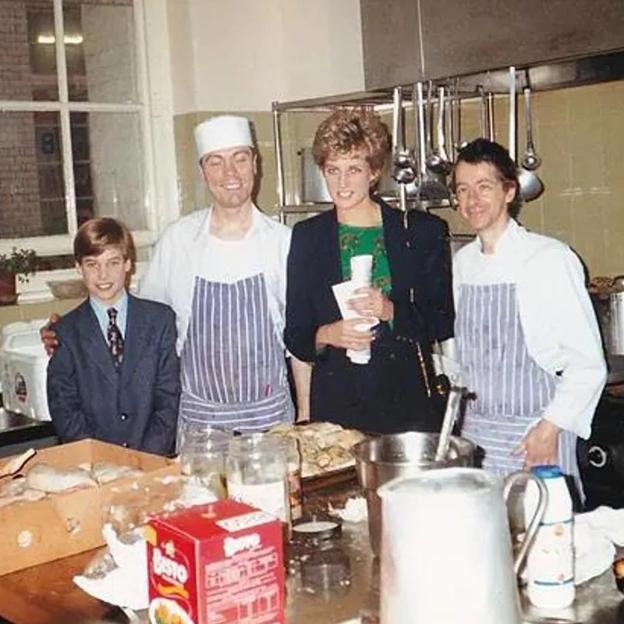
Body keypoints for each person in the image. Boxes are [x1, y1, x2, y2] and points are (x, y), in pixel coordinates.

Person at [284, 108, 454, 434]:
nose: (342, 183)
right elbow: (295, 333)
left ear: (374, 171)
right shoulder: (308, 237)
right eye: (333, 170)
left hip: (406, 403)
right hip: (336, 407)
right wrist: (327, 334)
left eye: (354, 169)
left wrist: (390, 310)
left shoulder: (419, 232)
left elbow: (442, 319)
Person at [451, 138, 607, 494]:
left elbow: (587, 363)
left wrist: (549, 429)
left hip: (534, 437)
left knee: (542, 542)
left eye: (483, 187)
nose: (472, 200)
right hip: (476, 437)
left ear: (509, 191)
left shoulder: (549, 259)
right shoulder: (463, 263)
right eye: (463, 190)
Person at [139, 115, 309, 433]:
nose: (230, 173)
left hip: (272, 423)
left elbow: (301, 346)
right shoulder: (178, 241)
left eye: (240, 159)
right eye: (216, 162)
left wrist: (305, 418)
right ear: (203, 172)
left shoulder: (283, 242)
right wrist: (68, 334)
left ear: (255, 164)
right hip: (199, 426)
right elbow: (144, 329)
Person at [47, 218, 180, 455]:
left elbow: (168, 398)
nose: (103, 275)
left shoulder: (160, 321)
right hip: (95, 466)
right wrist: (102, 461)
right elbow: (65, 409)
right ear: (78, 268)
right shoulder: (65, 333)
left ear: (128, 264)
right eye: (92, 264)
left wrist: (144, 458)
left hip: (152, 458)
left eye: (113, 263)